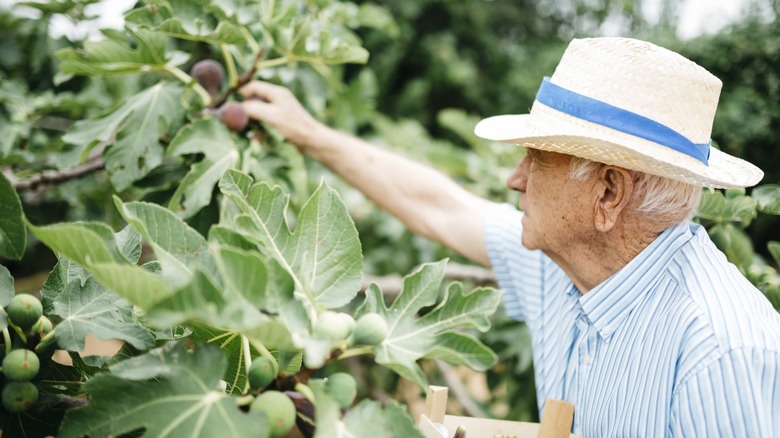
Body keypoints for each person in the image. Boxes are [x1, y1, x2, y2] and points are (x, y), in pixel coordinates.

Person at [240, 37, 780, 436]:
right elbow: (441, 207)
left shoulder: (719, 351)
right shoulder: (570, 270)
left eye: (536, 159)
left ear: (609, 193)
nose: (513, 178)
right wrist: (309, 134)